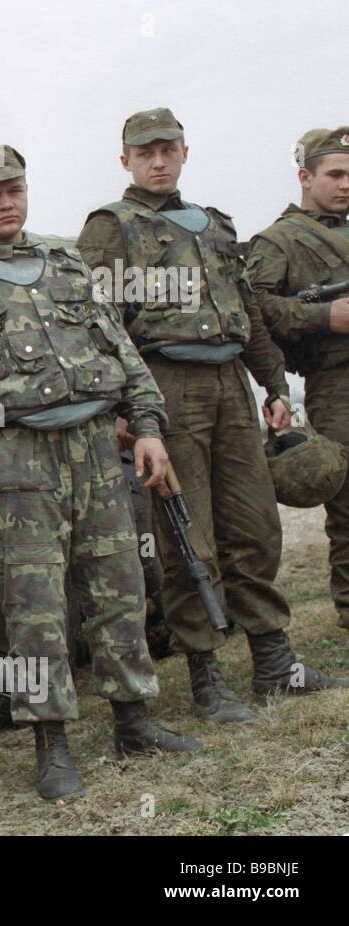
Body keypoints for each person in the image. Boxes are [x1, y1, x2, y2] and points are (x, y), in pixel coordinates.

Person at [0, 144, 199, 803]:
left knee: (119, 585)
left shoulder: (66, 260)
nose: (6, 202)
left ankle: (134, 720)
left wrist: (149, 427)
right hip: (17, 456)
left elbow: (119, 348)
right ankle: (52, 743)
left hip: (97, 444)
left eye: (14, 188)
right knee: (34, 604)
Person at [78, 109, 347, 714]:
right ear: (125, 160)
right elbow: (97, 324)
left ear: (184, 152)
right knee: (186, 533)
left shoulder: (216, 226)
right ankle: (206, 677)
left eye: (168, 149)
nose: (157, 160)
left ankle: (274, 663)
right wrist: (128, 410)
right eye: (144, 152)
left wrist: (274, 384)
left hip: (230, 384)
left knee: (256, 526)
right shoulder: (110, 228)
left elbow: (246, 311)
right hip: (166, 387)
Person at [247, 127, 349, 633]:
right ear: (306, 176)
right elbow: (254, 308)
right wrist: (323, 318)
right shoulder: (279, 240)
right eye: (336, 174)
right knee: (348, 500)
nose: (346, 184)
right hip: (336, 381)